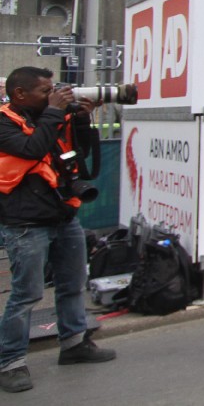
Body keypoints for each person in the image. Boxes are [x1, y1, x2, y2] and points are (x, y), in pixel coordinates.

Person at [0, 67, 116, 393]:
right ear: (19, 94)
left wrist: (81, 120)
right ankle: (10, 363)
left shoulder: (51, 117)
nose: (52, 95)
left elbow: (78, 155)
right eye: (44, 91)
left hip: (64, 215)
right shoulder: (4, 121)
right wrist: (54, 111)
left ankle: (75, 344)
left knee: (72, 284)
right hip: (25, 223)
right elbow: (32, 149)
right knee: (26, 295)